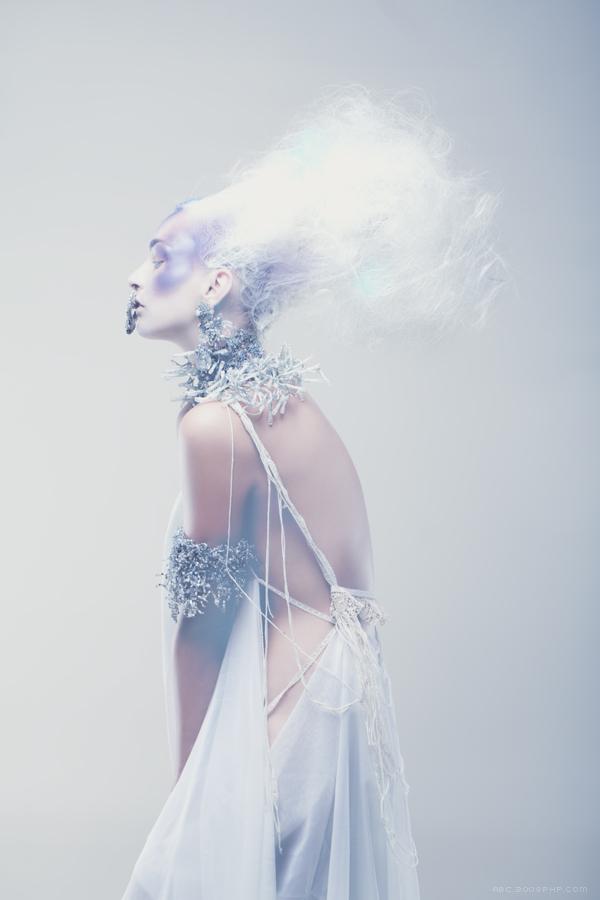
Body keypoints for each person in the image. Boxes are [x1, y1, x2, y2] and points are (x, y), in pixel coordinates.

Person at [120, 87, 505, 899]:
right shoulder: (288, 405)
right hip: (338, 703)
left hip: (289, 713)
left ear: (217, 283)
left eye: (159, 257)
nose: (135, 276)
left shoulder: (217, 426)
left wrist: (191, 789)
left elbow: (202, 627)